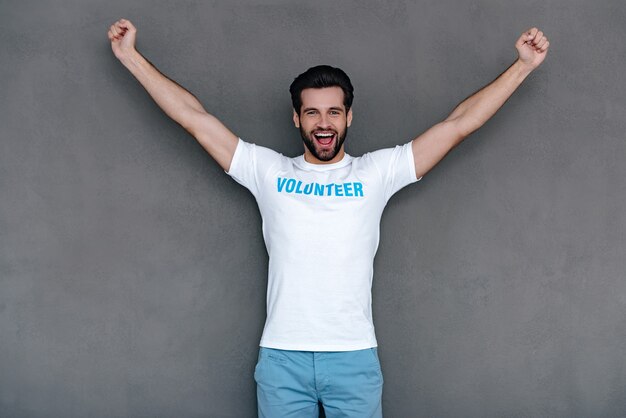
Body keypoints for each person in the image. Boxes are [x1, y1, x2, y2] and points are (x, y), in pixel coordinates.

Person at [108, 18, 550, 418]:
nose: (324, 122)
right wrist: (130, 57)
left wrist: (523, 67)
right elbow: (194, 118)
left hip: (354, 357)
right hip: (282, 359)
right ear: (297, 118)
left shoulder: (376, 173)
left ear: (348, 117)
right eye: (313, 112)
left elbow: (458, 124)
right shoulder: (268, 171)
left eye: (334, 111)